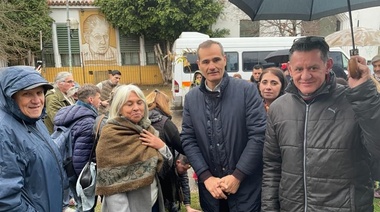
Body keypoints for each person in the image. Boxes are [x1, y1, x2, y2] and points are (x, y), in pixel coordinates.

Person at [261, 36, 380, 211]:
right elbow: (272, 165)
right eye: (299, 69)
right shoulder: (279, 108)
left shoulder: (355, 102)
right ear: (290, 69)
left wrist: (363, 94)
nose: (305, 75)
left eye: (313, 68)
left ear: (328, 65)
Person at [181, 40, 266, 211]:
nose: (211, 66)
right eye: (205, 62)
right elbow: (188, 139)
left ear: (225, 60)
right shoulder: (191, 99)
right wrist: (206, 177)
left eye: (216, 60)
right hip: (211, 191)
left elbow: (259, 135)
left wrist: (237, 176)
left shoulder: (246, 91)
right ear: (199, 64)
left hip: (246, 189)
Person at [96, 84, 173, 212]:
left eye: (139, 102)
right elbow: (112, 185)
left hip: (153, 202)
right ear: (119, 108)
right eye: (129, 104)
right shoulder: (111, 135)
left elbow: (166, 165)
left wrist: (161, 146)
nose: (136, 108)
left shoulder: (149, 130)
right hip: (129, 207)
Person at [0, 66, 64, 211]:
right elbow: (5, 200)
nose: (36, 100)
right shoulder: (4, 132)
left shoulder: (34, 121)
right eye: (27, 94)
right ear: (11, 97)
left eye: (39, 92)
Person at [146, 89, 198, 212]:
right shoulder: (164, 122)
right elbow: (182, 145)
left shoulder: (139, 120)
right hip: (163, 172)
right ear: (162, 103)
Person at [54, 84, 101, 212]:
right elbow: (82, 156)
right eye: (99, 98)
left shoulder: (67, 114)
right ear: (91, 100)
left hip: (64, 165)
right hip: (78, 173)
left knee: (78, 202)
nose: (100, 101)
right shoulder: (88, 122)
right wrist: (85, 184)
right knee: (85, 206)